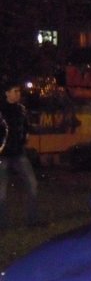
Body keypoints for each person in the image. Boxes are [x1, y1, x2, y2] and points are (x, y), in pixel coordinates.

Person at [0, 79, 39, 228]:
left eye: (19, 91)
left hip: (18, 153)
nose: (18, 94)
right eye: (15, 91)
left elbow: (25, 125)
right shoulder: (2, 110)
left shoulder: (21, 109)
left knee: (32, 184)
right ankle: (2, 224)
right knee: (1, 191)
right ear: (7, 93)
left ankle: (32, 220)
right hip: (2, 156)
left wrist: (26, 134)